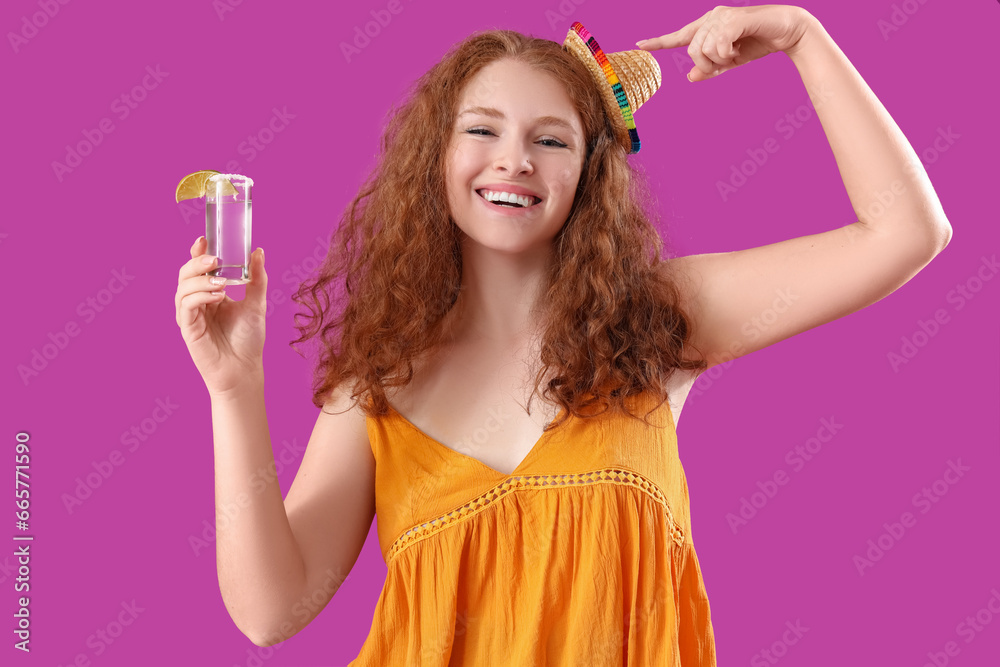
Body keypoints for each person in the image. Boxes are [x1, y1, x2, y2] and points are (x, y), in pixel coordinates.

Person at [174, 6, 951, 665]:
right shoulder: (380, 386)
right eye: (483, 129)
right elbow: (269, 612)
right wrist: (234, 388)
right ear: (435, 158)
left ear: (587, 172)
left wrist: (801, 36)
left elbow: (906, 232)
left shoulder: (655, 321)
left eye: (552, 139)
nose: (514, 159)